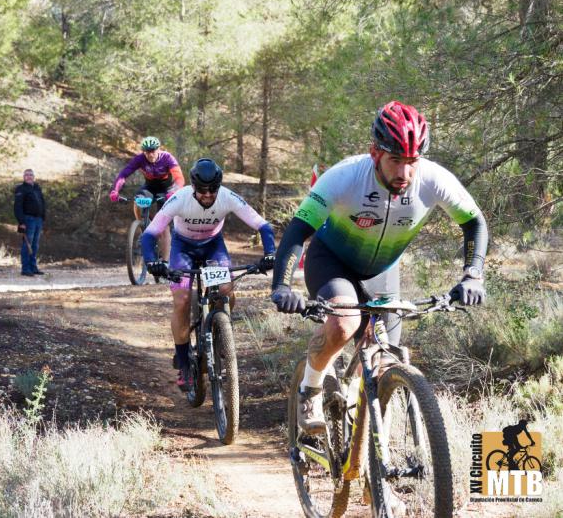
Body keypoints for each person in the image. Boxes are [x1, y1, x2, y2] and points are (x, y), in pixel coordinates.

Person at [271, 100, 488, 434]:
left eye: (412, 162)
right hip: (332, 261)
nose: (405, 173)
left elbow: (474, 223)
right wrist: (282, 286)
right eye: (395, 160)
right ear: (375, 154)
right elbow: (299, 230)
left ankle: (369, 466)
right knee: (344, 323)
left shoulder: (433, 179)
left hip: (382, 272)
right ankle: (310, 389)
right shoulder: (344, 176)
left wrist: (473, 274)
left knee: (383, 361)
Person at [141, 158, 276, 390]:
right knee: (182, 299)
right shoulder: (180, 198)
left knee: (226, 290)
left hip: (213, 246)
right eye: (202, 190)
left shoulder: (227, 196)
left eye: (212, 189)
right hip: (183, 248)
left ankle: (219, 330)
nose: (207, 195)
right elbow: (150, 233)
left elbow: (262, 225)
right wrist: (152, 261)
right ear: (193, 187)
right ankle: (183, 363)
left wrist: (271, 253)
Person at [109, 137, 185, 259]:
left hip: (166, 190)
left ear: (159, 149)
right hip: (149, 187)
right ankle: (145, 226)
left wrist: (173, 191)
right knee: (138, 200)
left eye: (153, 151)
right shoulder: (139, 159)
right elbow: (124, 174)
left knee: (164, 227)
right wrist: (115, 190)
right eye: (147, 151)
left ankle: (165, 263)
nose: (150, 154)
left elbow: (179, 178)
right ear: (144, 152)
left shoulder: (167, 157)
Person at [14, 169, 46, 276]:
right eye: (26, 175)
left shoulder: (37, 188)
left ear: (34, 176)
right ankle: (25, 268)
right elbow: (17, 207)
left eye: (30, 175)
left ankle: (33, 267)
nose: (28, 176)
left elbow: (42, 202)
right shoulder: (21, 189)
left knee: (35, 245)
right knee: (27, 244)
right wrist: (21, 222)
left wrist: (43, 217)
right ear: (23, 177)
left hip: (38, 220)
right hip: (28, 220)